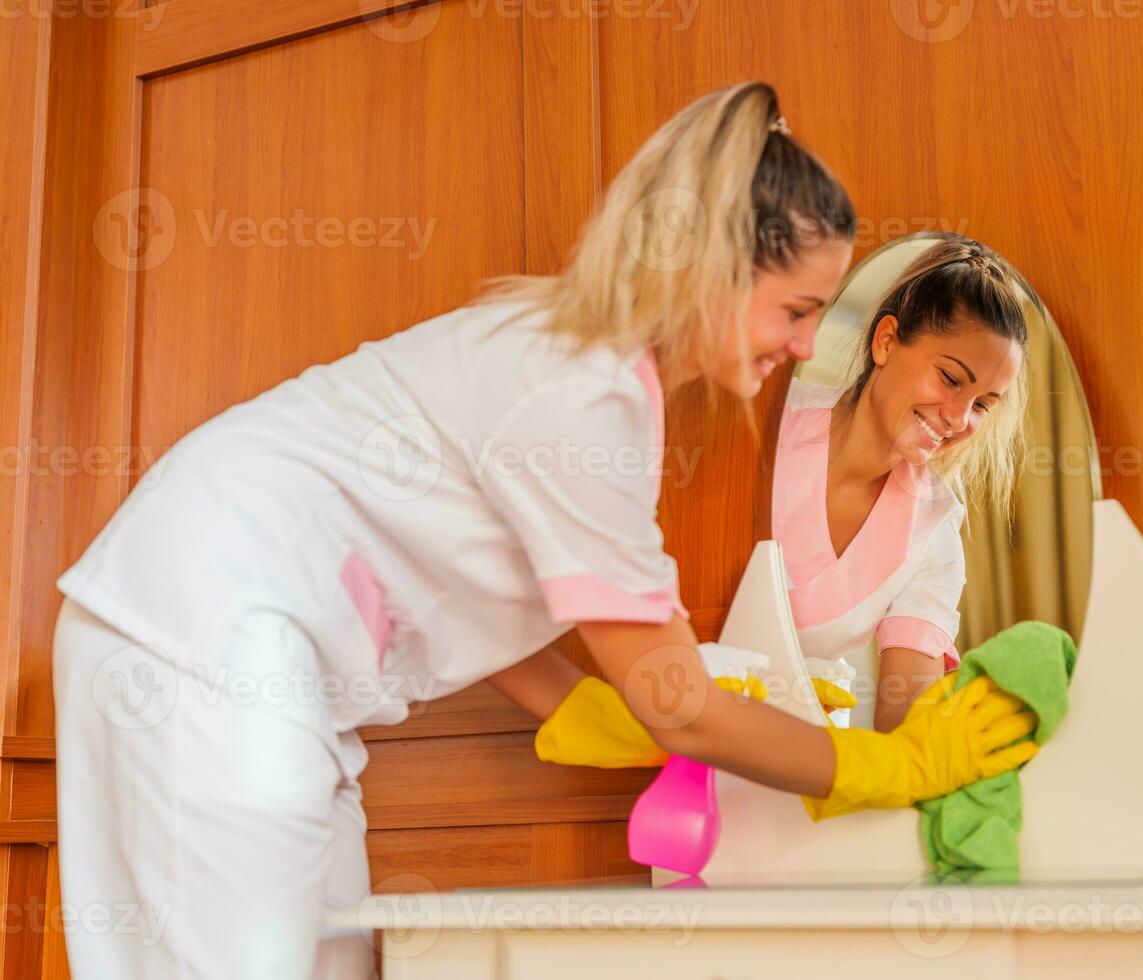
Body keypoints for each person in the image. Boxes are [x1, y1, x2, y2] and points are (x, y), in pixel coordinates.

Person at [52, 84, 1037, 979]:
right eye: (794, 310)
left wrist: (610, 719)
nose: (797, 344)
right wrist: (888, 765)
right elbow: (673, 699)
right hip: (201, 638)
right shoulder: (582, 392)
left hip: (274, 671)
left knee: (331, 958)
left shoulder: (607, 388)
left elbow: (521, 639)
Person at [770, 235, 1034, 732]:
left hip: (810, 763)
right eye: (952, 379)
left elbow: (908, 716)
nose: (958, 418)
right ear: (886, 340)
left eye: (982, 405)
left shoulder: (934, 528)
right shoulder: (772, 422)